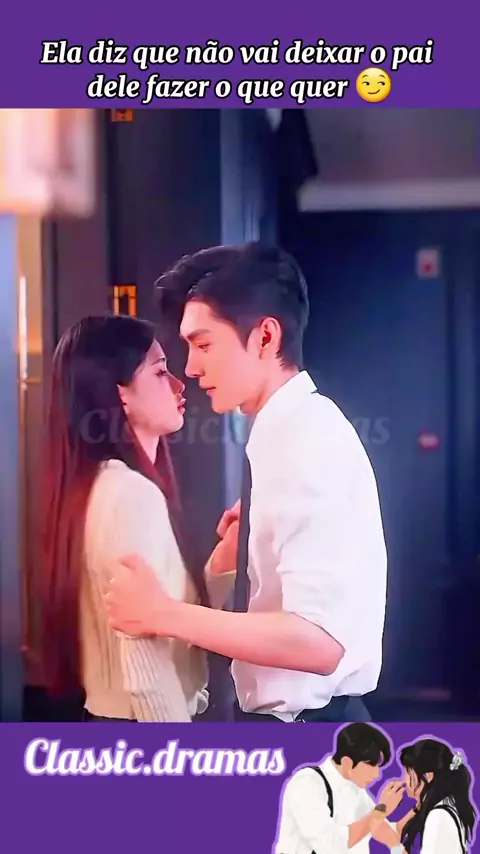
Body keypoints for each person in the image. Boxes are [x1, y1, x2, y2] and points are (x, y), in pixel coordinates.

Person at [105, 241, 388, 722]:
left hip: (308, 731)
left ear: (265, 338)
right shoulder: (286, 433)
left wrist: (162, 614)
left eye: (203, 344)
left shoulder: (305, 439)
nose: (190, 368)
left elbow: (319, 640)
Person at [39, 314, 230, 722]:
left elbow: (168, 619)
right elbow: (145, 666)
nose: (179, 384)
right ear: (120, 393)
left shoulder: (100, 486)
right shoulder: (130, 494)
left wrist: (221, 564)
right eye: (160, 372)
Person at [274, 723, 404, 853]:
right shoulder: (307, 783)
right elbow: (330, 845)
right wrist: (381, 809)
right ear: (347, 762)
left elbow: (381, 828)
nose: (377, 774)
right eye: (371, 764)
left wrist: (414, 810)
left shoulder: (356, 788)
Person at [396, 738, 477, 853]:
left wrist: (392, 844)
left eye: (408, 771)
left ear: (428, 776)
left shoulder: (438, 816)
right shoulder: (446, 806)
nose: (404, 779)